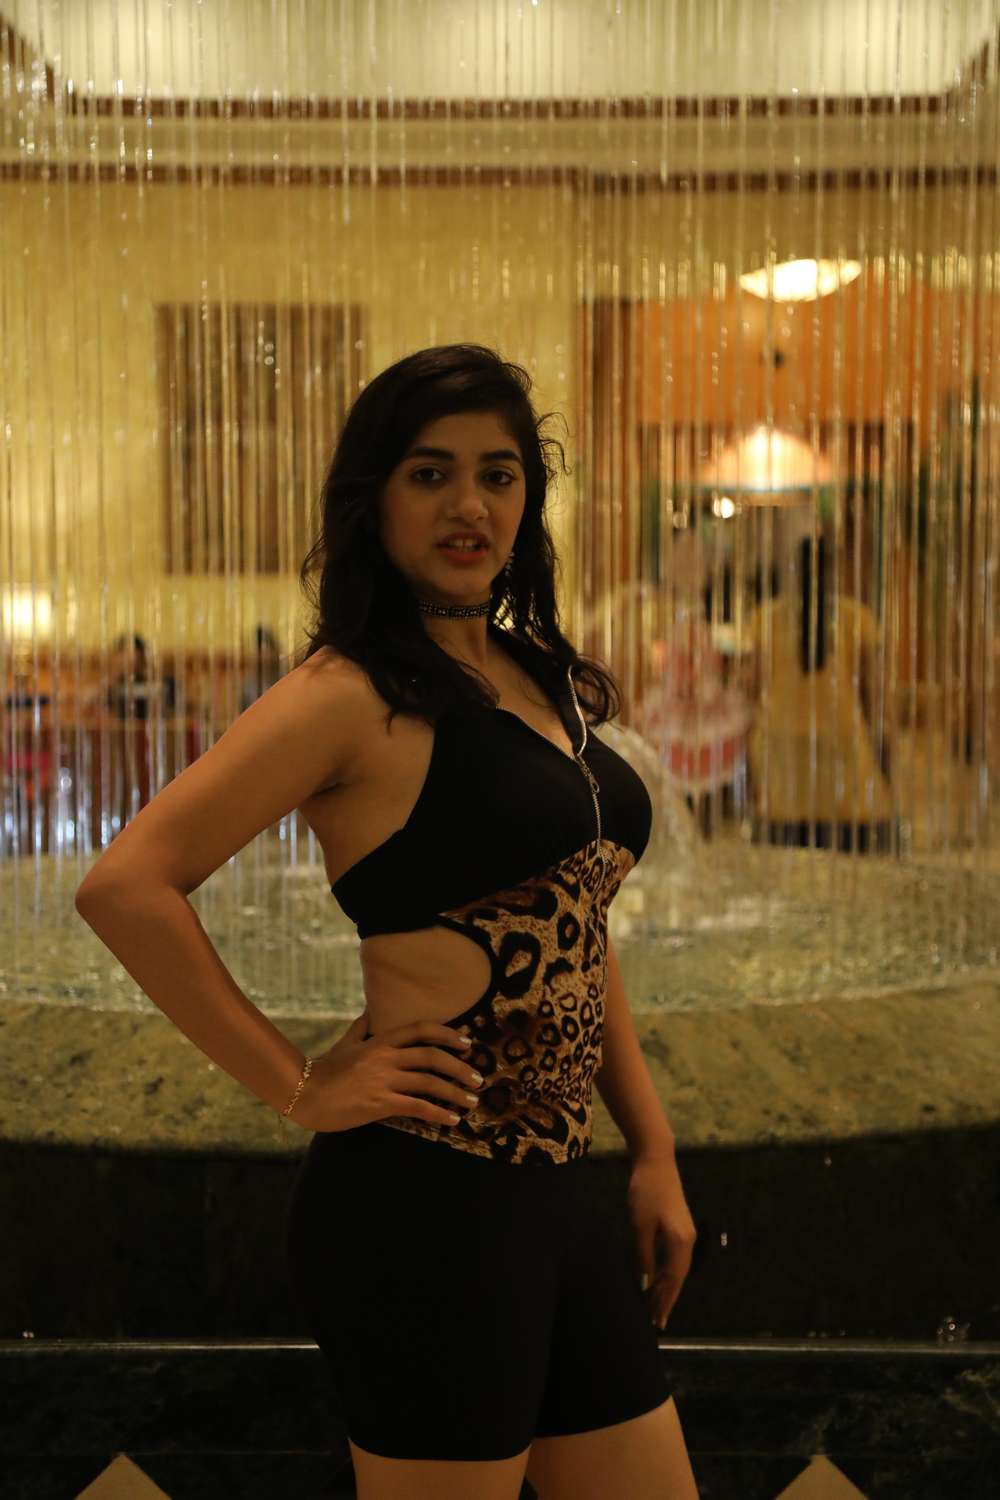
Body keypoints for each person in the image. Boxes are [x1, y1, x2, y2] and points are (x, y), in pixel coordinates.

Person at [74, 344, 699, 1500]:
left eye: (498, 475)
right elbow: (126, 886)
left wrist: (651, 1147)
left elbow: (575, 920)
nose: (470, 505)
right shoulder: (346, 694)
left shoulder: (538, 675)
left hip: (560, 1194)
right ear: (375, 499)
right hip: (425, 1203)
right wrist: (300, 1086)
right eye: (430, 473)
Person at [742, 534, 897, 853]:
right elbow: (875, 692)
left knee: (781, 857)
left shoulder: (765, 618)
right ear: (834, 571)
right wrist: (886, 746)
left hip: (779, 746)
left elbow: (751, 687)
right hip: (843, 747)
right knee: (847, 855)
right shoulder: (858, 618)